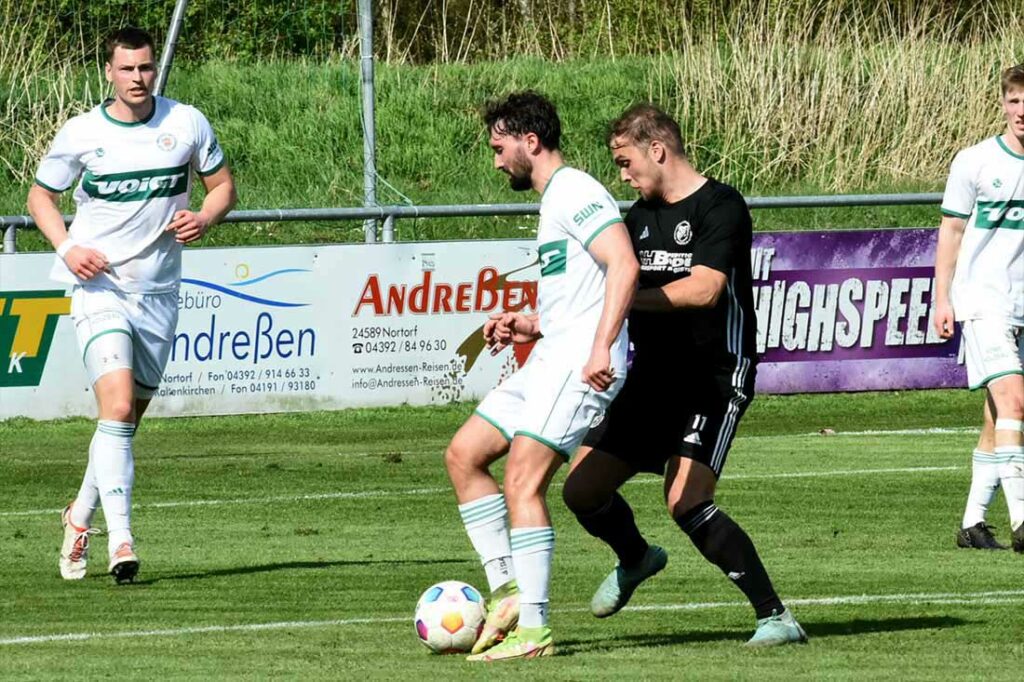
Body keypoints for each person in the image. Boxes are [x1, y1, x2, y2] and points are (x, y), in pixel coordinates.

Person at [556, 103, 807, 647]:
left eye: (625, 162)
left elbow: (704, 289)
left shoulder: (723, 206)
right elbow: (594, 290)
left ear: (657, 150)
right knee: (581, 489)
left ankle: (776, 617)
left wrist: (623, 305)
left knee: (685, 501)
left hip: (713, 377)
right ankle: (636, 557)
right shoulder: (636, 218)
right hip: (652, 379)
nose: (622, 175)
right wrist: (537, 321)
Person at [27, 27, 237, 583]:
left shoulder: (186, 122)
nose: (139, 78)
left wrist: (206, 216)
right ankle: (121, 541)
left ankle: (78, 515)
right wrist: (67, 247)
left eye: (146, 68)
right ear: (109, 73)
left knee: (121, 424)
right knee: (117, 408)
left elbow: (222, 186)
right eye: (127, 70)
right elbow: (40, 196)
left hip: (159, 293)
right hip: (100, 290)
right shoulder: (82, 133)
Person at [444, 91, 639, 661]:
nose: (496, 160)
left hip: (581, 363)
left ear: (531, 142)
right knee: (463, 455)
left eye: (500, 148)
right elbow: (577, 296)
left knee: (523, 482)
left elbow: (623, 263)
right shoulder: (554, 199)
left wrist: (602, 345)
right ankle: (507, 590)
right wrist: (525, 324)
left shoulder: (575, 190)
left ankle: (534, 629)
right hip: (552, 354)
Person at [934, 63, 1024, 553]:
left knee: (997, 417)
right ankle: (1023, 520)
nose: (1022, 111)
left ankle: (972, 524)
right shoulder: (974, 161)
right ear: (1003, 104)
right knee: (1015, 401)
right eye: (1014, 101)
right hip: (984, 302)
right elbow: (951, 230)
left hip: (1021, 305)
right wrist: (942, 298)